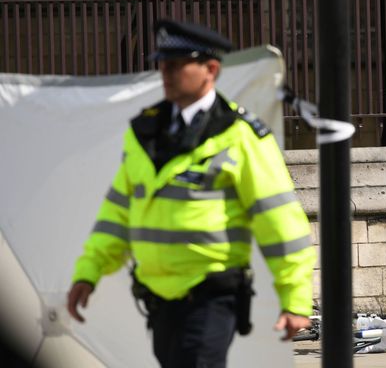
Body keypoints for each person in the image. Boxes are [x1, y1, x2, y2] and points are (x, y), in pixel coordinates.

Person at [67, 19, 315, 367]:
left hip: (211, 296)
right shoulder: (144, 132)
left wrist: (295, 300)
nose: (165, 73)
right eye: (162, 65)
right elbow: (117, 214)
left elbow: (280, 223)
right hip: (159, 300)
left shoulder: (241, 136)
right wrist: (88, 272)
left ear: (210, 69)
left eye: (175, 65)